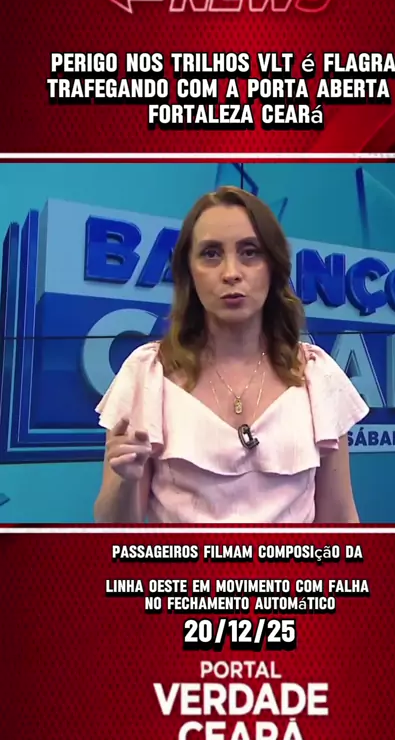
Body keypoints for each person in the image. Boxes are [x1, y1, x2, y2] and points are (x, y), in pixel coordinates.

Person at [94, 186, 369, 524]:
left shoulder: (317, 375)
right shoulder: (146, 375)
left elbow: (340, 519)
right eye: (211, 254)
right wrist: (124, 481)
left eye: (250, 252)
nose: (231, 272)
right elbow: (113, 530)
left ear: (273, 266)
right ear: (189, 272)